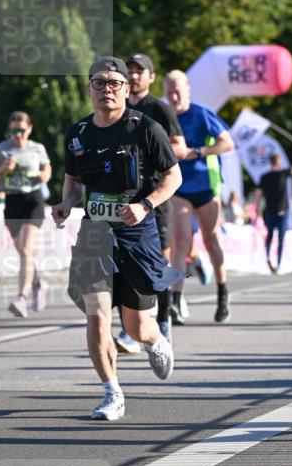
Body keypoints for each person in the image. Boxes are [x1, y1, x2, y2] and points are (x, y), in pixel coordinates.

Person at [51, 56, 182, 421]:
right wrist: (66, 203)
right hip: (94, 232)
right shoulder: (77, 133)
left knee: (136, 326)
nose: (106, 89)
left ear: (126, 89)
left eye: (114, 83)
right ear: (89, 88)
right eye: (99, 82)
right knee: (96, 316)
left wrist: (146, 204)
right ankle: (112, 392)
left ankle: (154, 339)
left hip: (137, 232)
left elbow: (174, 177)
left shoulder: (145, 128)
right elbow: (73, 181)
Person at [112, 53, 187, 352]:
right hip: (123, 197)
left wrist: (150, 150)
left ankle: (164, 322)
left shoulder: (159, 109)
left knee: (158, 264)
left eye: (139, 71)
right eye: (129, 71)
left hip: (155, 194)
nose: (133, 75)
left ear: (151, 77)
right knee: (124, 262)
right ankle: (130, 329)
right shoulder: (116, 107)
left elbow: (180, 147)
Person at [163, 69, 235, 323]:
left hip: (206, 186)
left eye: (177, 91)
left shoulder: (201, 113)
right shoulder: (163, 117)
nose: (173, 97)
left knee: (211, 239)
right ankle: (175, 300)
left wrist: (198, 151)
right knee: (180, 241)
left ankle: (222, 292)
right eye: (169, 92)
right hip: (178, 187)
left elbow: (227, 143)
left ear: (188, 90)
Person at [0, 112, 51, 317]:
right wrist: (1, 168)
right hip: (12, 202)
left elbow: (47, 169)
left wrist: (43, 175)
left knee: (27, 249)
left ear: (29, 128)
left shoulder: (37, 148)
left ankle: (21, 298)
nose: (17, 135)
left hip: (33, 201)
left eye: (21, 130)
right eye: (13, 131)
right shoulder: (1, 149)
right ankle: (38, 284)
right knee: (24, 253)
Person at [255, 143, 292, 273]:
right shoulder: (283, 174)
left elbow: (258, 195)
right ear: (279, 162)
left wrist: (257, 209)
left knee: (269, 236)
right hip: (282, 211)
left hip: (269, 211)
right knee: (281, 238)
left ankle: (268, 258)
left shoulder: (264, 177)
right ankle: (278, 263)